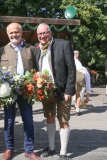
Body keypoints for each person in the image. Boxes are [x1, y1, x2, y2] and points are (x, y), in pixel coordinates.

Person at [0, 23, 39, 160]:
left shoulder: (31, 49)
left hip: (26, 92)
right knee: (9, 121)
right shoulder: (1, 51)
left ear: (21, 33)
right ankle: (9, 148)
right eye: (11, 33)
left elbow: (37, 70)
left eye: (16, 32)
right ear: (7, 34)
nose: (14, 35)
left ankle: (29, 150)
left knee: (28, 121)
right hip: (8, 92)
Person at [35, 23, 76, 160]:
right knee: (50, 118)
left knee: (63, 120)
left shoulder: (63, 44)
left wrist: (69, 90)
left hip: (63, 90)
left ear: (50, 33)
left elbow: (71, 69)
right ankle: (52, 148)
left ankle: (63, 153)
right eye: (39, 34)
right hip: (46, 91)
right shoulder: (37, 48)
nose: (42, 36)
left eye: (44, 33)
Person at [74, 50, 91, 115]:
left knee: (68, 92)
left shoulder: (71, 59)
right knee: (78, 93)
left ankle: (63, 108)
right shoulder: (86, 72)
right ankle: (77, 110)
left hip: (72, 74)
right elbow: (88, 86)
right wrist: (87, 98)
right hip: (80, 76)